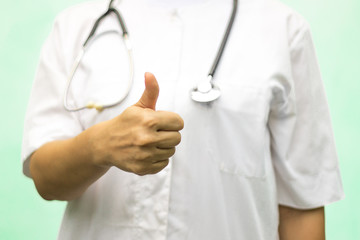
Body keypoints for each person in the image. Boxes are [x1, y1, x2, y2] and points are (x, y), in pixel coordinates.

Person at [22, 0, 344, 239]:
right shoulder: (75, 27)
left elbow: (302, 204)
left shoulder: (283, 31)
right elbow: (44, 177)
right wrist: (98, 147)